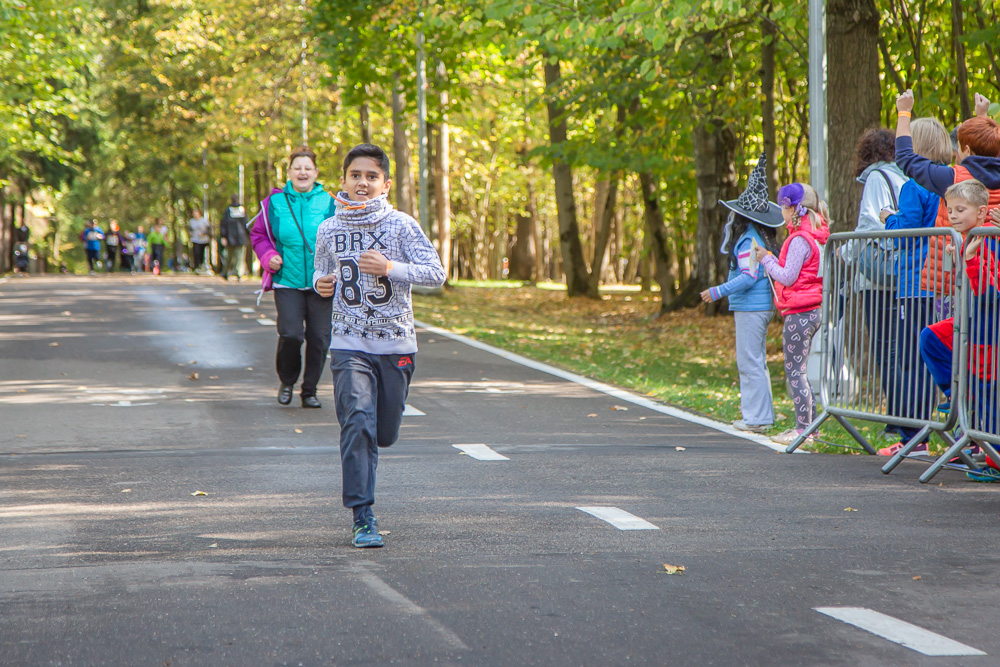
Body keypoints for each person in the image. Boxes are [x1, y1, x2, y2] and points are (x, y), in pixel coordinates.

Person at [313, 143, 446, 548]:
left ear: (385, 184)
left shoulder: (402, 226)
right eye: (356, 175)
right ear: (343, 180)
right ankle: (362, 515)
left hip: (396, 343)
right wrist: (320, 285)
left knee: (381, 433)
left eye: (371, 176)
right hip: (348, 343)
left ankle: (372, 458)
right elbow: (322, 272)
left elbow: (436, 273)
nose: (363, 183)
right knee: (356, 422)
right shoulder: (328, 229)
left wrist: (391, 268)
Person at [878, 117, 953, 456]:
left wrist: (887, 218)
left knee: (910, 359)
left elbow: (905, 232)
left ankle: (914, 438)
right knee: (930, 353)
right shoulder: (949, 185)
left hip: (915, 283)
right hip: (942, 284)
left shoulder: (913, 186)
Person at [918, 180, 1000, 479]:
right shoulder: (968, 238)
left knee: (988, 389)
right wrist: (959, 261)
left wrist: (970, 261)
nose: (952, 215)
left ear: (981, 212)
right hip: (969, 322)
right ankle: (957, 393)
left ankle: (995, 459)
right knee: (931, 337)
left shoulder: (987, 240)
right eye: (949, 209)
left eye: (959, 210)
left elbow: (990, 293)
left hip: (986, 328)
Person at [699, 153, 783, 434]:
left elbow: (748, 276)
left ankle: (756, 419)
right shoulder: (758, 237)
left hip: (752, 307)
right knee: (755, 360)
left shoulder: (748, 239)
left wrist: (717, 291)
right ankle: (760, 416)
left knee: (749, 361)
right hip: (758, 306)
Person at [250, 146, 335, 409]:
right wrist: (267, 256)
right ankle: (287, 380)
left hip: (322, 282)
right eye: (297, 167)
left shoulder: (330, 202)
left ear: (316, 173)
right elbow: (259, 235)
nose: (302, 172)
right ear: (288, 172)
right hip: (287, 279)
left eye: (307, 168)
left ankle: (309, 390)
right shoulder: (273, 203)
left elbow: (340, 236)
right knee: (291, 334)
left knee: (320, 338)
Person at [753, 183, 831, 446]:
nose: (781, 212)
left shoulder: (799, 239)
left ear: (791, 208)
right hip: (811, 309)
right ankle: (811, 428)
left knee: (795, 372)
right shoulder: (817, 235)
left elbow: (787, 276)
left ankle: (803, 429)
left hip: (800, 311)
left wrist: (766, 258)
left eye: (783, 206)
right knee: (801, 371)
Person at [895, 90, 1000, 206]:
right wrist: (983, 119)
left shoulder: (953, 180)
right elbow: (991, 144)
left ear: (968, 150)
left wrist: (904, 112)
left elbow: (905, 157)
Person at [220, 195, 249, 281]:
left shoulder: (228, 210)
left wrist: (223, 236)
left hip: (230, 237)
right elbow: (246, 224)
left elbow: (223, 224)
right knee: (240, 256)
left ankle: (226, 272)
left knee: (229, 256)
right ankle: (239, 273)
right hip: (241, 237)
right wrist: (249, 235)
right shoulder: (242, 210)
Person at [189, 208, 212, 274]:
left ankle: (203, 265)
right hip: (195, 239)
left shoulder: (204, 220)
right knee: (196, 253)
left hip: (204, 240)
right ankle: (197, 267)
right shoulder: (192, 221)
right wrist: (190, 232)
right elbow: (190, 229)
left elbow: (209, 229)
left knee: (202, 253)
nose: (195, 215)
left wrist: (203, 233)